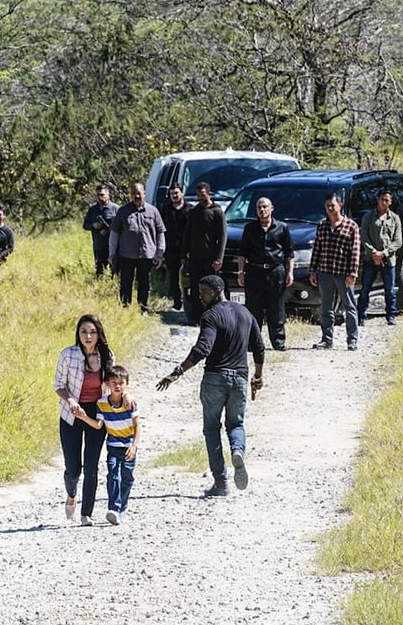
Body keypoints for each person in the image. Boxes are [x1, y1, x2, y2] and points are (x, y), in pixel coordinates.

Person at [156, 275, 264, 497]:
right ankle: (237, 451)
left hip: (215, 378)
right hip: (240, 378)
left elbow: (203, 348)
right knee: (236, 425)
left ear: (217, 290)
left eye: (204, 292)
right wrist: (257, 376)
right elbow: (259, 347)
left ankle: (221, 483)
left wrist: (177, 372)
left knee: (212, 429)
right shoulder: (245, 313)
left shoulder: (211, 316)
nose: (200, 296)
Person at [54, 315, 113, 526]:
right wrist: (70, 400)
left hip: (96, 414)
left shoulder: (107, 356)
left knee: (91, 466)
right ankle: (71, 494)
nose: (88, 336)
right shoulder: (68, 354)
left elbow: (113, 384)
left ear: (99, 334)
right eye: (84, 332)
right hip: (71, 413)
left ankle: (86, 513)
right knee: (73, 468)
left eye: (92, 332)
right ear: (78, 334)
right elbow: (58, 385)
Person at [72, 365, 141, 525]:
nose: (117, 386)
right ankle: (114, 509)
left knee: (127, 478)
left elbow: (138, 426)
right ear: (107, 384)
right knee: (113, 476)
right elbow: (98, 425)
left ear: (126, 384)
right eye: (113, 382)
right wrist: (83, 417)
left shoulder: (130, 403)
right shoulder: (102, 403)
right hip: (113, 447)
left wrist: (134, 446)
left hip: (129, 446)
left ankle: (123, 508)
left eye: (121, 383)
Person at [236, 196, 294, 351]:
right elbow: (242, 253)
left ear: (271, 208)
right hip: (254, 271)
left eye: (265, 207)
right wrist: (240, 272)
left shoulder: (282, 227)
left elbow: (289, 253)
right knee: (253, 308)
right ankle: (252, 343)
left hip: (276, 272)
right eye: (259, 207)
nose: (262, 210)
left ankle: (278, 342)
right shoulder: (250, 228)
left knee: (276, 308)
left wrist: (290, 273)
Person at [308, 193, 361, 350]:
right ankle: (327, 339)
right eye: (327, 206)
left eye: (332, 205)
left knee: (349, 306)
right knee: (326, 307)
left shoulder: (351, 226)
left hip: (343, 272)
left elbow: (355, 251)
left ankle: (352, 340)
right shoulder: (322, 225)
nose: (330, 208)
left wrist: (353, 273)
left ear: (340, 205)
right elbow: (317, 248)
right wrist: (313, 270)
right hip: (325, 272)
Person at [109, 182, 166, 312]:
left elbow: (160, 232)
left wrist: (160, 253)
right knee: (125, 283)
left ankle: (143, 308)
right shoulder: (123, 211)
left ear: (144, 194)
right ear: (131, 195)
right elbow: (114, 233)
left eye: (139, 193)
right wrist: (112, 253)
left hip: (147, 254)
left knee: (144, 283)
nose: (137, 196)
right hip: (126, 254)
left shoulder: (153, 211)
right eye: (134, 193)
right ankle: (125, 308)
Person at [181, 182, 227, 324]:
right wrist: (183, 254)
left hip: (211, 259)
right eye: (198, 195)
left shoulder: (217, 211)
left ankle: (213, 316)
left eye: (202, 194)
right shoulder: (194, 212)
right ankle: (196, 317)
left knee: (212, 289)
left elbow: (222, 236)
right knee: (196, 288)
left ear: (208, 193)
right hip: (195, 258)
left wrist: (219, 258)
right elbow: (187, 234)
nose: (200, 197)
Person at [358, 188, 403, 326]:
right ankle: (361, 315)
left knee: (389, 290)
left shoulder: (395, 218)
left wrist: (384, 253)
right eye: (382, 199)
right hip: (370, 259)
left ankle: (391, 315)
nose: (384, 202)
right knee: (365, 288)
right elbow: (364, 237)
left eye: (387, 200)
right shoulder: (369, 217)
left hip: (388, 260)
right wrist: (373, 252)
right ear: (377, 200)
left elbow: (398, 241)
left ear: (390, 202)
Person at [160, 184, 191, 310]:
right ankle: (177, 302)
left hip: (187, 249)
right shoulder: (165, 209)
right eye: (172, 193)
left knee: (188, 277)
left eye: (176, 193)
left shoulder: (190, 210)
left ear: (182, 193)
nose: (174, 196)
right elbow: (160, 229)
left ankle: (189, 302)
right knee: (173, 277)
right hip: (170, 249)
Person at [82, 185, 118, 277]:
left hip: (113, 247)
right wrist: (94, 226)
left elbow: (122, 227)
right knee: (99, 272)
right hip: (98, 246)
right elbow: (85, 225)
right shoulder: (93, 209)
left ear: (108, 194)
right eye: (98, 195)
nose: (100, 197)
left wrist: (109, 230)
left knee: (115, 272)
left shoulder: (116, 209)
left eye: (102, 194)